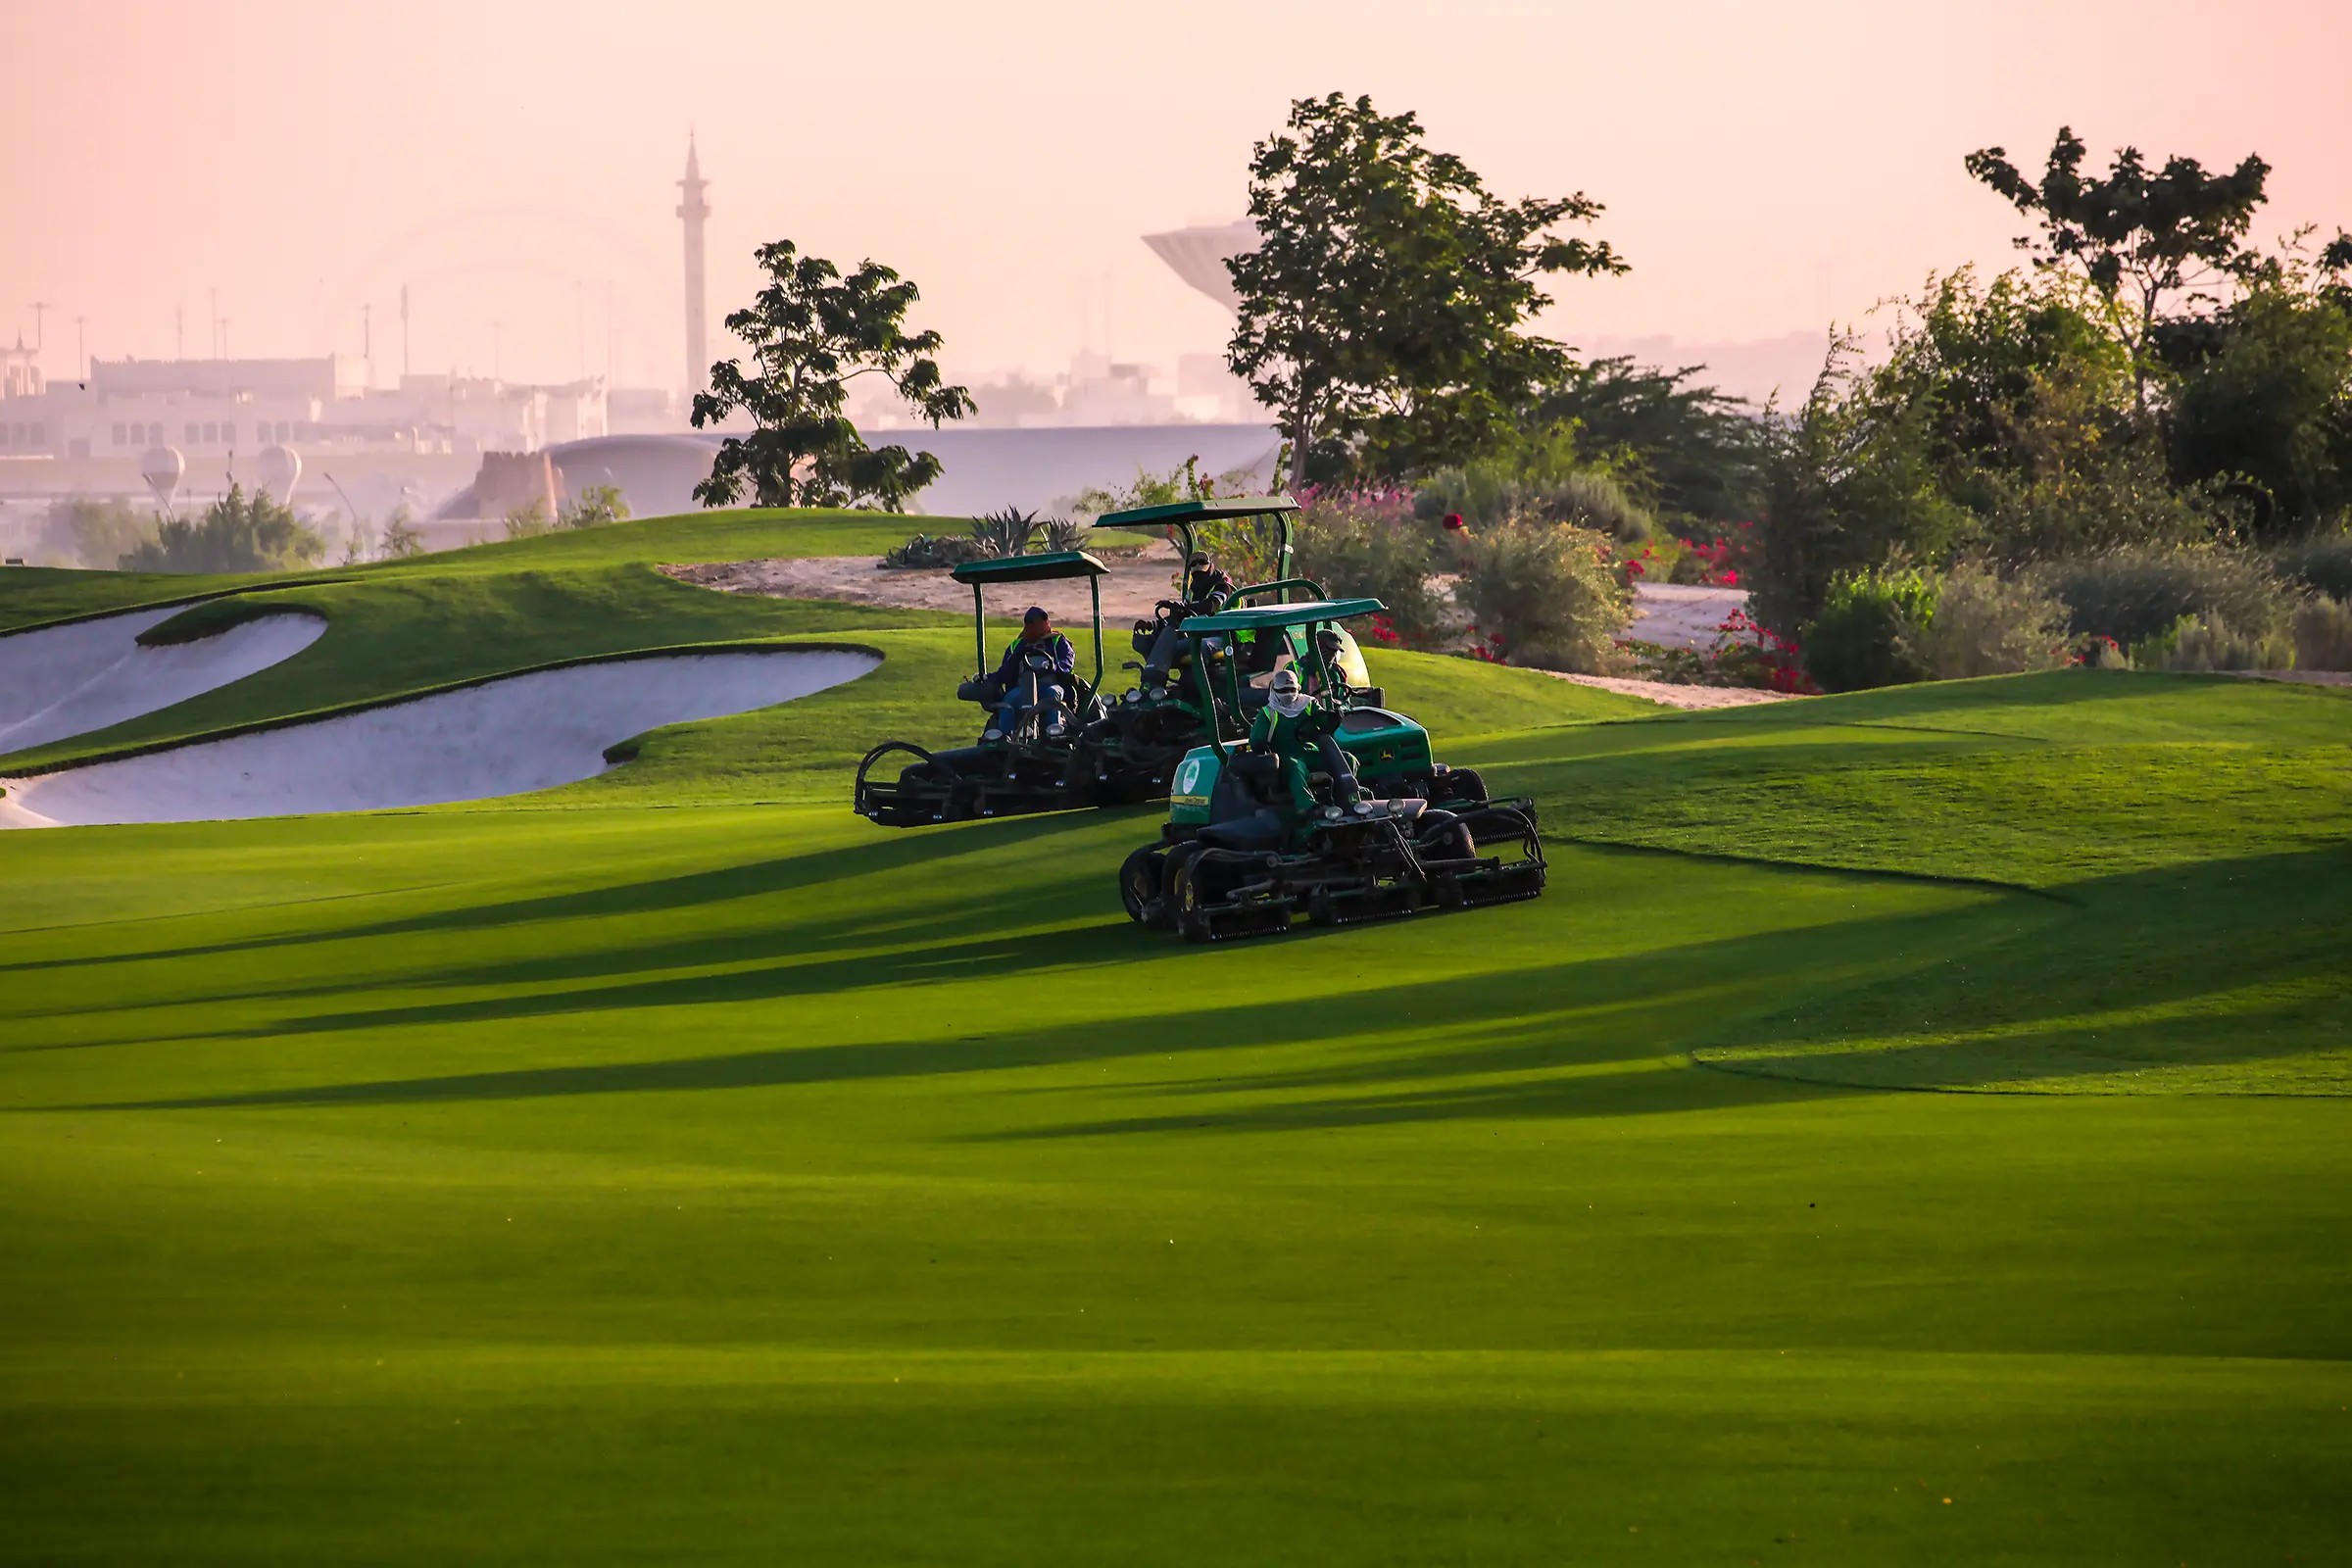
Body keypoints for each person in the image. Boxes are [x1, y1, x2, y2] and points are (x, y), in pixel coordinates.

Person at [1246, 665, 1360, 815]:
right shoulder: (1268, 712)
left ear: (1298, 688)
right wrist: (1259, 744)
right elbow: (1256, 740)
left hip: (1310, 752)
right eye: (1283, 691)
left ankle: (1346, 798)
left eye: (1292, 690)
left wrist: (1333, 718)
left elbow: (1323, 720)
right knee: (1295, 767)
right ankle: (1309, 808)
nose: (1288, 694)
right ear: (1274, 690)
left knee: (1347, 759)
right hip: (1285, 757)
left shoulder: (1308, 704)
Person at [983, 606, 1076, 741]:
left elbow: (1067, 661)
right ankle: (1006, 737)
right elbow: (1005, 671)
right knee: (1008, 701)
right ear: (1027, 625)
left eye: (1042, 621)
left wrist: (1053, 667)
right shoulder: (1017, 646)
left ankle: (1054, 734)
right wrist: (988, 678)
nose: (1040, 625)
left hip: (1050, 685)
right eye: (1034, 622)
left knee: (1052, 695)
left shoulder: (1057, 641)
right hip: (1023, 689)